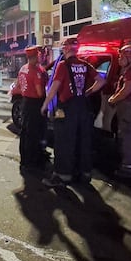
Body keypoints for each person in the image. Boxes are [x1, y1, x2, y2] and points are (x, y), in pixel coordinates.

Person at [40, 37, 106, 187]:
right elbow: (102, 81)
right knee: (83, 141)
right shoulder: (85, 65)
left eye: (63, 48)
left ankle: (63, 176)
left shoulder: (63, 65)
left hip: (67, 108)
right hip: (83, 106)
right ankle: (84, 173)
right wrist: (87, 92)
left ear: (66, 49)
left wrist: (45, 104)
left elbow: (54, 87)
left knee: (64, 141)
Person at [108, 44, 131, 178]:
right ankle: (127, 166)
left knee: (129, 139)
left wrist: (113, 99)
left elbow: (126, 91)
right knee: (126, 137)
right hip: (127, 109)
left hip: (130, 109)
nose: (119, 59)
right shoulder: (128, 72)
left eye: (121, 56)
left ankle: (130, 170)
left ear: (129, 58)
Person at [11, 46, 48, 173]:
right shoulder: (36, 71)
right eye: (40, 54)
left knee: (25, 133)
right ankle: (33, 161)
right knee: (34, 134)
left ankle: (25, 160)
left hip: (25, 103)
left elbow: (18, 86)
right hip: (35, 105)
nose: (42, 56)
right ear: (37, 56)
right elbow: (39, 93)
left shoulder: (23, 69)